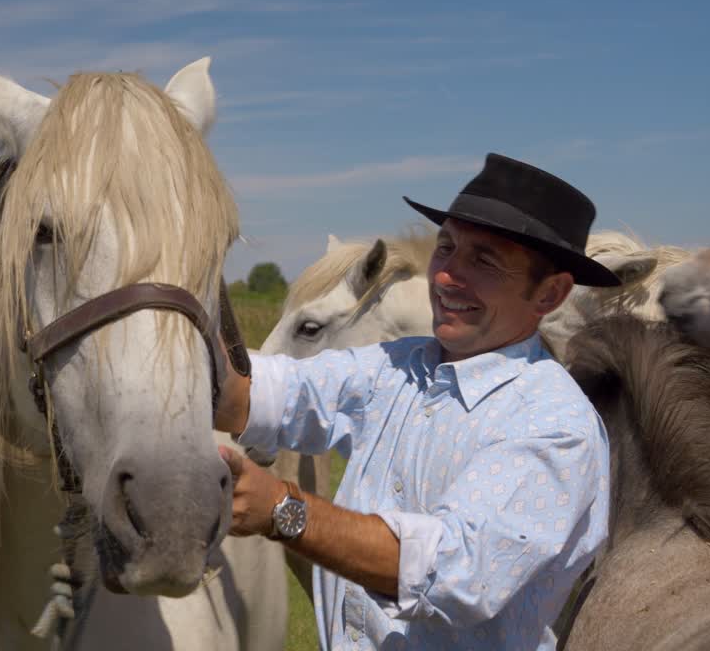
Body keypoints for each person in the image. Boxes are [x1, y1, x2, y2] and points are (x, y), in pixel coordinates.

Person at [215, 153, 620, 650]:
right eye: (446, 248)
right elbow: (260, 394)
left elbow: (453, 572)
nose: (447, 277)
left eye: (484, 262)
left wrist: (284, 510)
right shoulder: (396, 365)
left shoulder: (555, 423)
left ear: (550, 294)